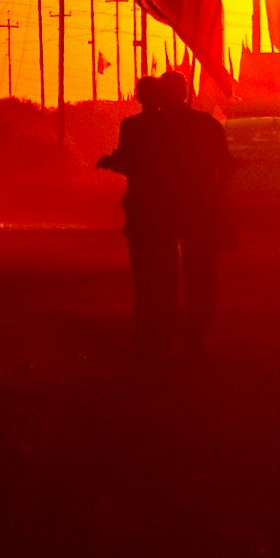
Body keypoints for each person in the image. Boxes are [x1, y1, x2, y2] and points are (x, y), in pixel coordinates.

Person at [97, 70, 230, 357]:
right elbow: (226, 167)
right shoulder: (206, 125)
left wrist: (111, 162)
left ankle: (155, 336)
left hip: (152, 211)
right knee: (201, 279)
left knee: (153, 278)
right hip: (197, 209)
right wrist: (215, 200)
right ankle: (194, 336)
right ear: (185, 93)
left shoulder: (140, 127)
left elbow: (131, 163)